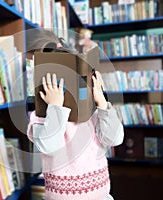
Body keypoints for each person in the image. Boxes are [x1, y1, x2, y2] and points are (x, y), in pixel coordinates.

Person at [27, 70, 124, 200]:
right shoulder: (41, 119)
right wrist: (55, 106)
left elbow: (116, 139)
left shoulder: (93, 116)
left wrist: (102, 102)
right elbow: (49, 146)